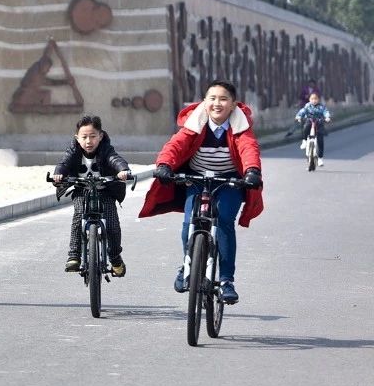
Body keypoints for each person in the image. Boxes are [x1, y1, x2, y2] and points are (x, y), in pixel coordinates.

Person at [139, 80, 263, 305]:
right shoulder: (196, 123)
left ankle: (226, 281)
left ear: (233, 105)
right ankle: (187, 264)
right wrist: (165, 164)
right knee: (190, 222)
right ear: (204, 102)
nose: (217, 103)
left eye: (223, 99)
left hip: (229, 181)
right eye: (212, 99)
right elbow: (175, 145)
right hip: (196, 179)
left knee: (224, 221)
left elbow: (248, 148)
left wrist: (252, 171)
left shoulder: (240, 126)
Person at [51, 115, 132, 277]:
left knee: (113, 226)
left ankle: (115, 258)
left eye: (93, 136)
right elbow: (64, 163)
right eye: (84, 137)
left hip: (106, 191)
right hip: (82, 190)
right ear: (77, 138)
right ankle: (74, 255)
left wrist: (123, 170)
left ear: (100, 136)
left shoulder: (106, 149)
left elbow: (115, 159)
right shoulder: (73, 150)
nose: (89, 141)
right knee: (78, 217)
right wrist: (58, 174)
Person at [295, 92, 332, 166]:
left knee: (320, 141)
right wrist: (298, 116)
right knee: (305, 127)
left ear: (318, 100)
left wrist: (327, 117)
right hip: (310, 121)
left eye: (316, 99)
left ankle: (320, 159)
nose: (314, 100)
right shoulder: (307, 106)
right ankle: (304, 141)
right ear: (309, 99)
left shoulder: (321, 107)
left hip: (319, 123)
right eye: (312, 99)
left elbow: (326, 112)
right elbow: (302, 111)